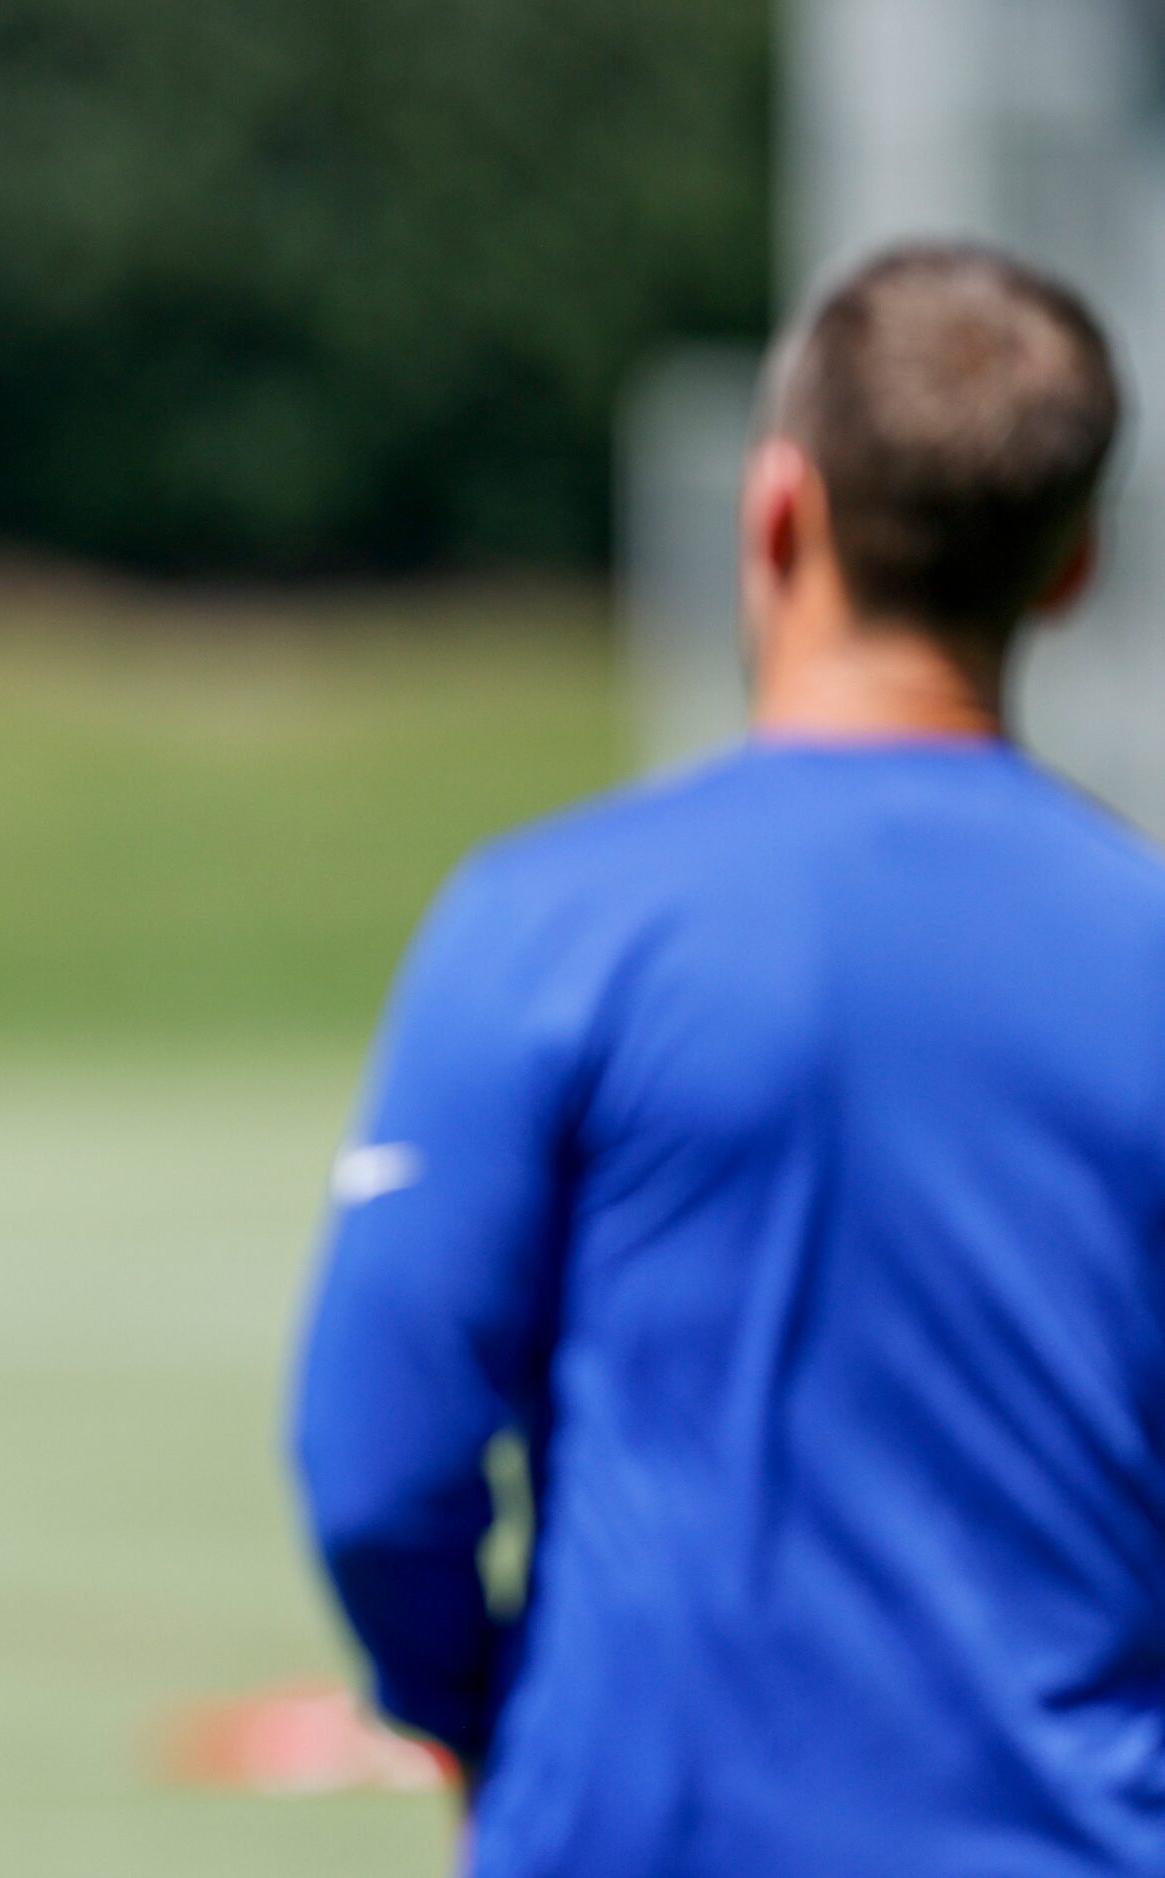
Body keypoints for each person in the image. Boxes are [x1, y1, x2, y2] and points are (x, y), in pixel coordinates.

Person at [292, 245, 1159, 1873]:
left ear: (775, 510)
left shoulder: (548, 923)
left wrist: (477, 1714)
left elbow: (376, 1459)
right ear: (1071, 569)